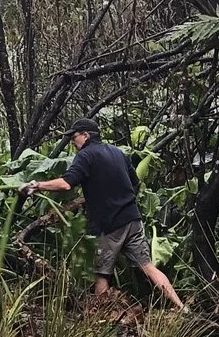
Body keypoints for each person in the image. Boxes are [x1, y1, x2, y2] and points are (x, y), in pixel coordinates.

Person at [24, 117, 186, 311]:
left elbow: (67, 183)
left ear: (85, 136)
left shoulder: (86, 156)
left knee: (102, 274)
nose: (73, 143)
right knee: (148, 267)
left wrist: (37, 186)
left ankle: (100, 321)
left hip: (111, 225)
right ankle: (182, 308)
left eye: (74, 138)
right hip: (132, 218)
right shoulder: (118, 153)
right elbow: (135, 183)